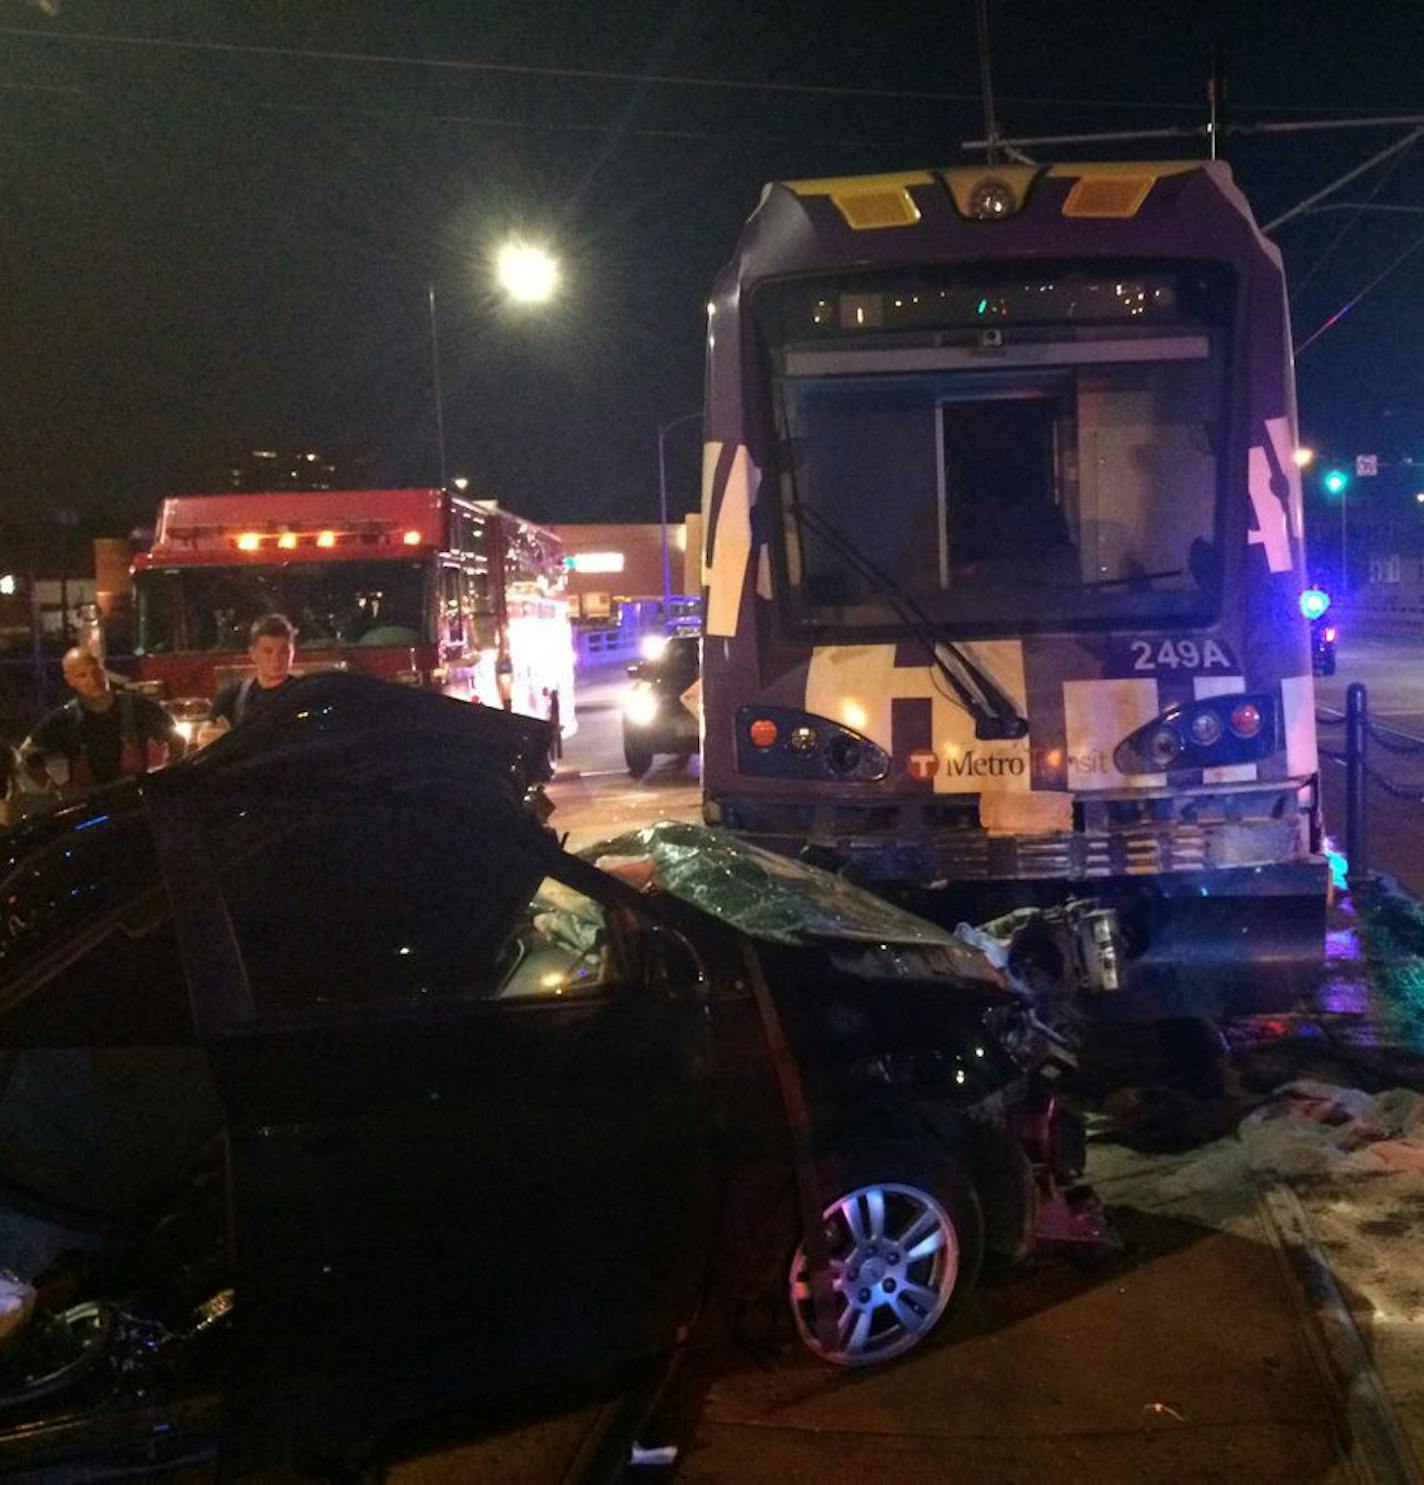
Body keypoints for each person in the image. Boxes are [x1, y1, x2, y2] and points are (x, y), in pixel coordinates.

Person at [20, 648, 183, 799]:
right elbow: (27, 754)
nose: (93, 680)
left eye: (95, 671)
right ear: (70, 681)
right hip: (88, 808)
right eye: (82, 676)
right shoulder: (65, 718)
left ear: (103, 669)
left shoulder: (138, 707)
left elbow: (177, 740)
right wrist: (54, 789)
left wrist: (164, 777)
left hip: (134, 800)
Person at [205, 613, 298, 735]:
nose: (276, 658)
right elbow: (208, 736)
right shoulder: (231, 695)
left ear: (293, 652)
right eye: (268, 651)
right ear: (253, 653)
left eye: (284, 651)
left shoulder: (305, 695)